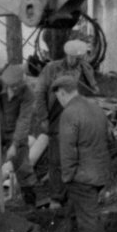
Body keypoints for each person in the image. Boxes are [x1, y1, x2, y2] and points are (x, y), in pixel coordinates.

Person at [53, 73, 117, 232]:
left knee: (88, 218)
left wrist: (67, 176)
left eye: (58, 97)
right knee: (75, 210)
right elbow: (110, 139)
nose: (59, 101)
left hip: (81, 175)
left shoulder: (69, 114)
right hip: (99, 172)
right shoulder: (95, 107)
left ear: (63, 93)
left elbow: (68, 149)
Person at [33, 38, 99, 206]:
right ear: (67, 55)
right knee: (56, 159)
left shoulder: (85, 69)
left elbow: (94, 91)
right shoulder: (52, 69)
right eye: (72, 58)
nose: (75, 61)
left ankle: (73, 196)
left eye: (79, 59)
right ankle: (56, 198)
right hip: (56, 116)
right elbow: (39, 93)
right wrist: (43, 117)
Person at [0, 63, 38, 207]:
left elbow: (24, 120)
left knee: (23, 165)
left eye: (16, 86)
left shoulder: (28, 93)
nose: (13, 89)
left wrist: (15, 145)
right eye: (11, 86)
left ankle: (30, 202)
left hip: (15, 129)